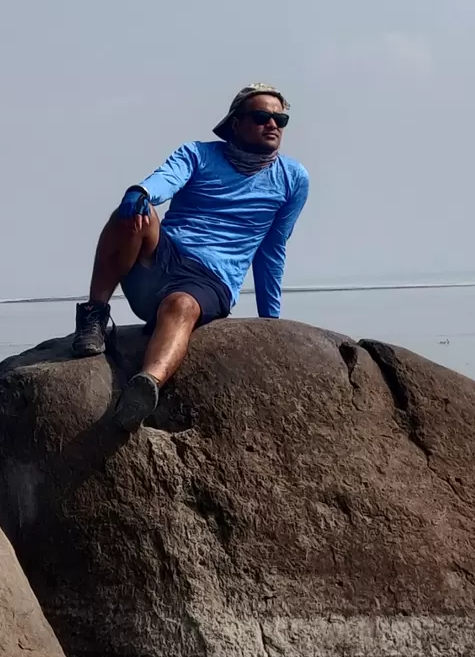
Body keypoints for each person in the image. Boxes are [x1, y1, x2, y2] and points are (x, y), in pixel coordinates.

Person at [71, 83, 310, 431]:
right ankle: (94, 316)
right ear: (236, 124)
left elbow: (272, 249)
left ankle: (145, 388)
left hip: (210, 281)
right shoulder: (198, 154)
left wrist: (270, 324)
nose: (272, 124)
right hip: (162, 258)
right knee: (134, 214)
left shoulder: (292, 179)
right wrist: (140, 193)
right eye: (261, 117)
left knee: (181, 306)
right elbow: (165, 180)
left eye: (280, 119)